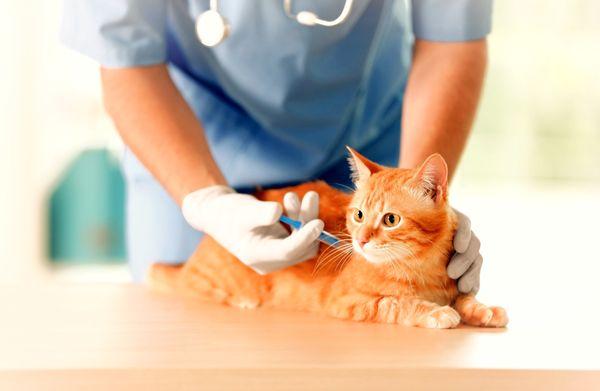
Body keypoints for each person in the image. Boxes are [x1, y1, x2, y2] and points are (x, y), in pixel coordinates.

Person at [61, 0, 490, 291]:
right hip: (187, 134)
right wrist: (207, 200)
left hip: (363, 143)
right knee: (184, 332)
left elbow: (451, 39)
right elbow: (124, 57)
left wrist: (419, 199)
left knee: (373, 332)